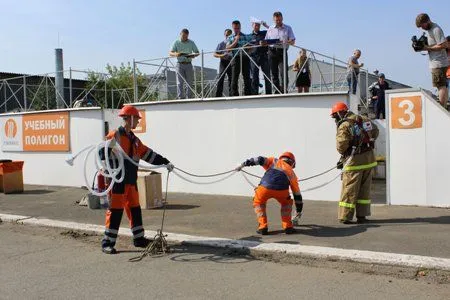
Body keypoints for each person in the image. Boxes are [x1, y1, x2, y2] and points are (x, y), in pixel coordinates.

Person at [100, 105, 174, 254]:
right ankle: (107, 243)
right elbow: (102, 153)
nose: (138, 122)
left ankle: (139, 239)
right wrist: (108, 170)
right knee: (115, 212)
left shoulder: (134, 141)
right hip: (117, 183)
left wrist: (165, 161)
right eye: (137, 119)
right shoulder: (116, 136)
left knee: (135, 210)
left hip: (131, 182)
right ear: (130, 118)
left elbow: (148, 154)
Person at [331, 102, 379, 224]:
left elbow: (341, 146)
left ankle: (345, 217)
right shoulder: (364, 119)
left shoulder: (345, 125)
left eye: (335, 116)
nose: (335, 119)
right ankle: (362, 216)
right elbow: (376, 131)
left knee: (349, 191)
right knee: (364, 191)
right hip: (369, 161)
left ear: (340, 113)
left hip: (354, 163)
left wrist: (345, 153)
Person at [236, 152, 303, 235]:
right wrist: (299, 211)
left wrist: (243, 164)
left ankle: (263, 227)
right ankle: (288, 227)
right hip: (282, 191)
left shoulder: (273, 161)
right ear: (292, 163)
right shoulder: (293, 174)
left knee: (258, 202)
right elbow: (297, 195)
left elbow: (259, 159)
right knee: (286, 203)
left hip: (264, 189)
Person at [416, 13, 449, 109]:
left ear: (427, 21)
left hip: (439, 63)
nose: (422, 28)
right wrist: (421, 46)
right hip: (436, 62)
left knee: (440, 86)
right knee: (441, 86)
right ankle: (443, 107)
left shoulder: (436, 29)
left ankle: (442, 109)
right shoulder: (429, 30)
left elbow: (444, 45)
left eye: (422, 25)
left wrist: (428, 48)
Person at [265, 11, 296, 94]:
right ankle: (276, 91)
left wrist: (286, 41)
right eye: (276, 20)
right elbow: (266, 41)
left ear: (282, 18)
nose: (278, 22)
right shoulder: (270, 28)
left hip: (282, 52)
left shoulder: (288, 28)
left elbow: (293, 41)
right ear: (273, 20)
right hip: (272, 52)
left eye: (279, 20)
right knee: (274, 73)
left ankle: (284, 90)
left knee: (283, 72)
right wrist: (264, 42)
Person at [169, 28, 200, 99]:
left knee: (190, 82)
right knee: (179, 82)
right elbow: (170, 53)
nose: (184, 38)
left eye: (186, 36)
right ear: (180, 34)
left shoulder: (191, 42)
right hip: (179, 64)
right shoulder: (176, 42)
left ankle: (189, 98)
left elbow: (197, 52)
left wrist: (193, 55)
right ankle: (181, 98)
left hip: (189, 63)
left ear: (188, 35)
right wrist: (176, 54)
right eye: (183, 36)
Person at [226, 20, 253, 96]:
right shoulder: (230, 37)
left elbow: (251, 47)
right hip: (236, 58)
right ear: (233, 27)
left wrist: (249, 47)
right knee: (234, 77)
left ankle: (248, 94)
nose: (237, 30)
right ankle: (234, 94)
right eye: (235, 28)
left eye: (238, 28)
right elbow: (227, 49)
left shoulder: (245, 36)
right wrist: (236, 41)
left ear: (240, 27)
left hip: (245, 57)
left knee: (247, 77)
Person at [249, 20, 272, 95]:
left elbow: (272, 30)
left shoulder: (264, 33)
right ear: (252, 25)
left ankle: (269, 93)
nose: (257, 26)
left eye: (258, 25)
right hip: (253, 57)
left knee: (267, 75)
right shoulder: (249, 36)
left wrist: (265, 25)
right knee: (254, 76)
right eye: (255, 25)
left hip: (263, 56)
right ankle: (254, 93)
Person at [214, 29, 233, 97]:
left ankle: (232, 95)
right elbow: (215, 54)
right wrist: (222, 55)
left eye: (229, 35)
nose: (228, 37)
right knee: (221, 78)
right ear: (224, 35)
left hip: (231, 62)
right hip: (223, 62)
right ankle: (218, 96)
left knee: (232, 79)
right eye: (226, 35)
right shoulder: (221, 44)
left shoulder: (234, 43)